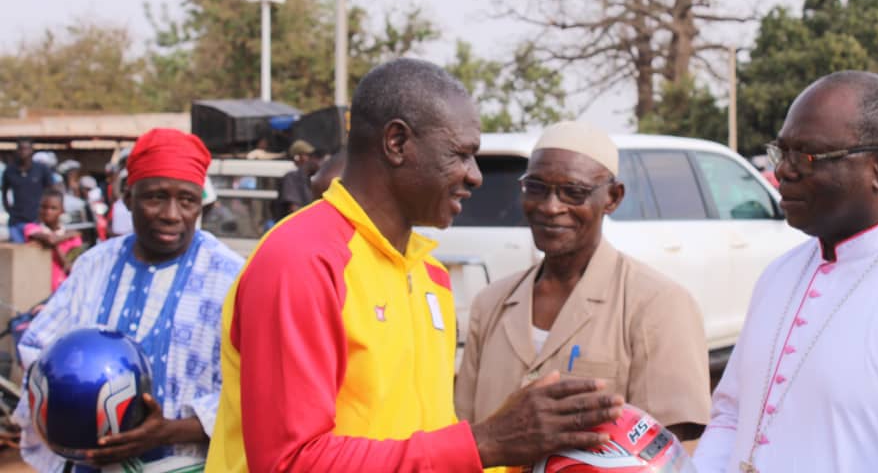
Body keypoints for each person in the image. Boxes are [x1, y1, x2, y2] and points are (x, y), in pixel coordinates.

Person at [206, 59, 624, 472]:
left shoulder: (430, 276)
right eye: (461, 154)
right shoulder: (302, 260)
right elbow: (290, 462)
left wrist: (529, 451)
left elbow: (426, 447)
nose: (475, 176)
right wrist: (487, 442)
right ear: (397, 143)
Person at [693, 71, 878, 473]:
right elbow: (731, 417)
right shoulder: (779, 275)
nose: (783, 171)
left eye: (807, 156)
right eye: (782, 152)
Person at [455, 121, 711, 443]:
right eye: (536, 188)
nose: (551, 207)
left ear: (613, 198)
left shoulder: (657, 305)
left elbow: (670, 452)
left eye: (573, 192)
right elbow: (466, 437)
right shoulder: (491, 304)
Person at [13, 128, 244, 472]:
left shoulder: (231, 277)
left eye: (187, 200)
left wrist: (168, 431)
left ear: (201, 204)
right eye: (155, 197)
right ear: (126, 197)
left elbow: (255, 395)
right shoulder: (95, 263)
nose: (171, 214)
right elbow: (39, 348)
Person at [24, 188, 83, 292]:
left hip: (62, 289)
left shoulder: (74, 239)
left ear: (62, 211)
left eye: (53, 208)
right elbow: (50, 239)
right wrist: (68, 235)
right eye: (44, 207)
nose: (47, 211)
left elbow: (70, 267)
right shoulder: (32, 228)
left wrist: (56, 244)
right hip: (36, 289)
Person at [2, 139, 54, 243]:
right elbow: (4, 192)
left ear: (31, 151)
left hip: (35, 220)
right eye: (20, 149)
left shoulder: (41, 169)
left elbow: (51, 191)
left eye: (26, 149)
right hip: (16, 220)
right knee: (19, 253)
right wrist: (9, 210)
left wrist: (44, 214)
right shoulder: (10, 170)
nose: (23, 152)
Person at [273, 139, 321, 217]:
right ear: (297, 157)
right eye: (308, 155)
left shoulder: (308, 178)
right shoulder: (291, 177)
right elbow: (294, 210)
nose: (313, 160)